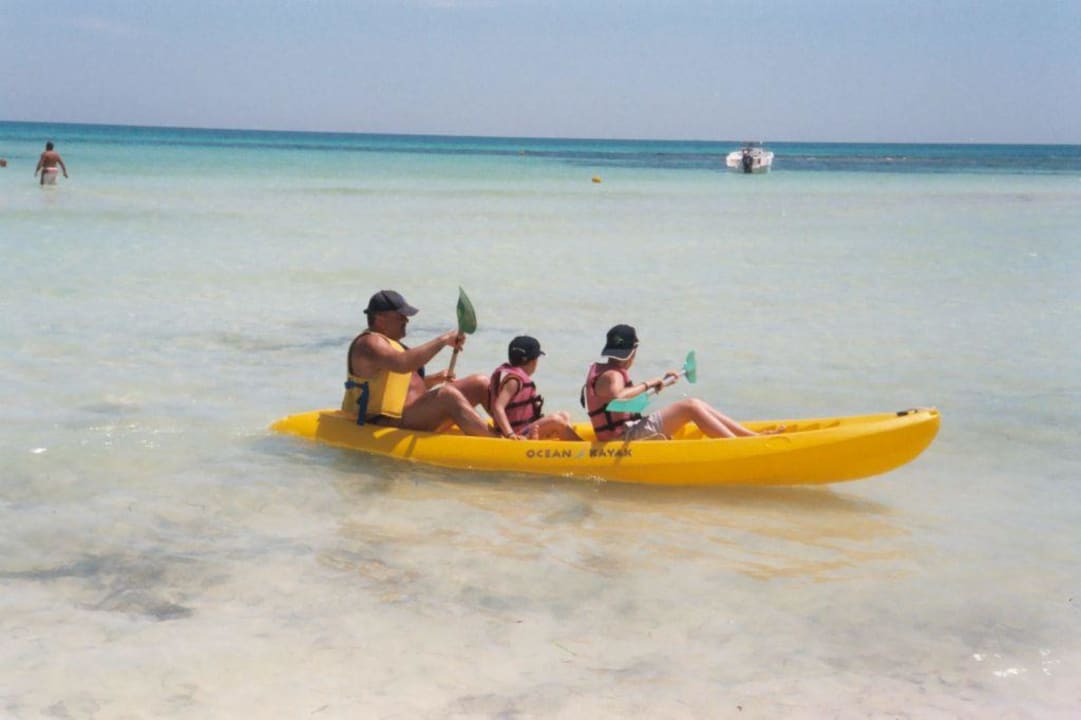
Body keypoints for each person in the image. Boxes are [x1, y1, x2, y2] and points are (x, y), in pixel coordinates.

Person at [342, 289, 492, 436]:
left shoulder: (392, 345)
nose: (406, 320)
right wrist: (443, 340)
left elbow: (401, 388)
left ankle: (512, 431)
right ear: (380, 318)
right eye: (401, 316)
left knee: (480, 383)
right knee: (447, 395)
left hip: (414, 413)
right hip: (387, 421)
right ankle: (494, 442)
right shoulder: (369, 343)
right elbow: (402, 364)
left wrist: (433, 380)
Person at [582, 324, 763, 441]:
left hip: (624, 431)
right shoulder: (613, 376)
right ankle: (738, 444)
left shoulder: (603, 371)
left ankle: (751, 437)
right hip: (623, 438)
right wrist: (647, 384)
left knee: (696, 403)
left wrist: (659, 384)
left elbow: (624, 405)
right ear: (634, 350)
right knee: (690, 406)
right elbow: (618, 397)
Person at [489, 336, 581, 441]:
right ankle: (583, 450)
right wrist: (510, 434)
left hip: (525, 429)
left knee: (564, 415)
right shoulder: (514, 381)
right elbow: (498, 407)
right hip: (517, 435)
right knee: (555, 421)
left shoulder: (517, 379)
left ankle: (566, 445)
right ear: (533, 361)